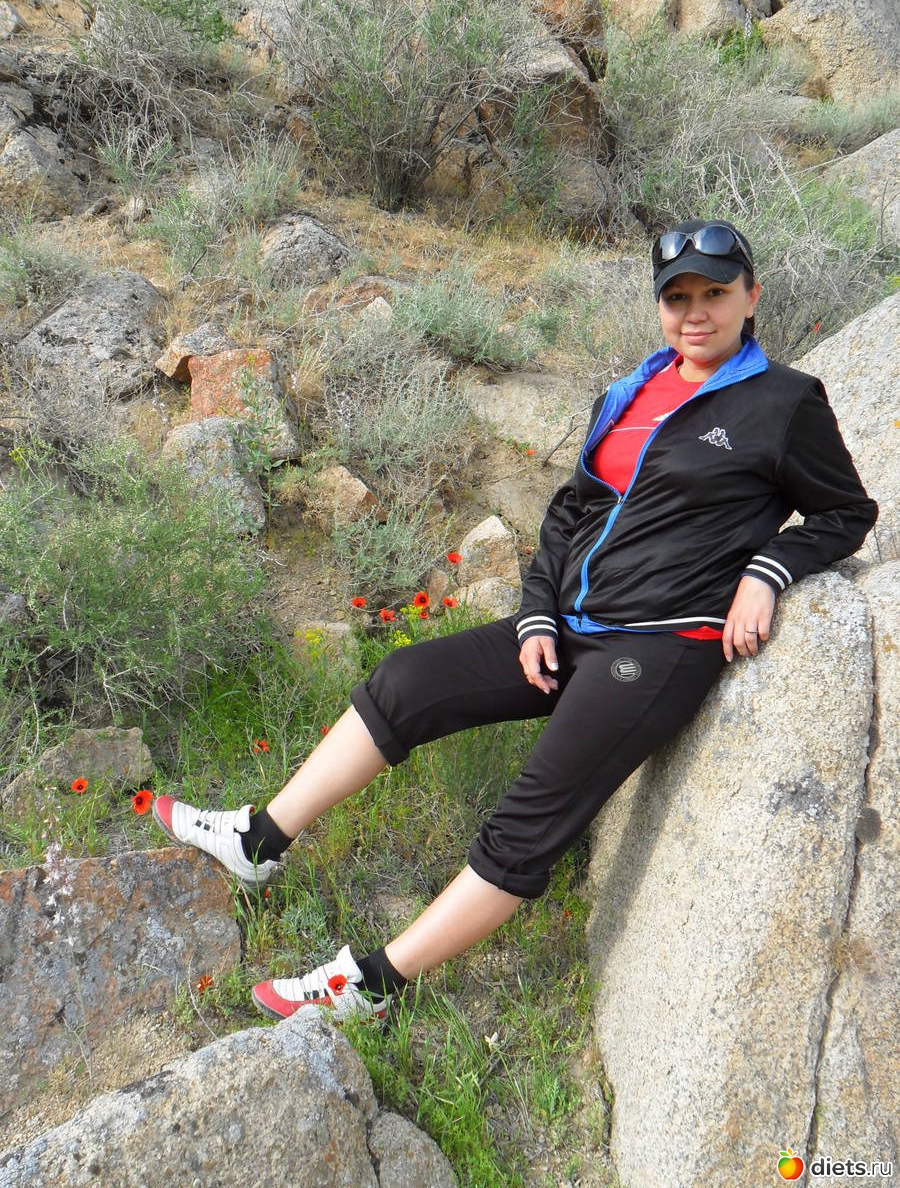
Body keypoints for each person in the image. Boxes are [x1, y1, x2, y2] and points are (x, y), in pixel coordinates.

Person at [153, 219, 877, 1023]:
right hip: (569, 626)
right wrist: (536, 616)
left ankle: (372, 987)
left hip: (658, 647)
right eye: (677, 298)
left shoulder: (784, 402)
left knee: (528, 817)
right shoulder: (632, 390)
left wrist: (767, 573)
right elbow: (571, 512)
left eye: (715, 293)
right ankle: (258, 843)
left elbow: (846, 512)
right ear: (659, 307)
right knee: (405, 680)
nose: (695, 313)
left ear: (752, 296)